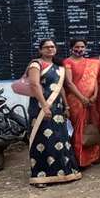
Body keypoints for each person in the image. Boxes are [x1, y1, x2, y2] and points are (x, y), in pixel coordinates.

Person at [26, 39, 81, 187]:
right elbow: (34, 84)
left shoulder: (59, 67)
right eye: (46, 47)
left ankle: (65, 173)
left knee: (60, 139)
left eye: (52, 47)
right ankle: (41, 177)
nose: (50, 49)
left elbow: (61, 87)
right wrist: (44, 106)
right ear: (40, 50)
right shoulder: (36, 65)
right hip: (40, 108)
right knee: (43, 141)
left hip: (57, 108)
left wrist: (66, 106)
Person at [64, 39, 100, 168]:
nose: (79, 49)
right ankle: (78, 160)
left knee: (89, 128)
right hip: (75, 101)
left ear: (85, 48)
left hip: (90, 101)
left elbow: (94, 79)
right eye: (77, 47)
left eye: (82, 47)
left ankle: (89, 158)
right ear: (71, 48)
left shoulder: (91, 63)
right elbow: (69, 83)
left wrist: (95, 95)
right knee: (77, 129)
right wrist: (81, 98)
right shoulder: (67, 62)